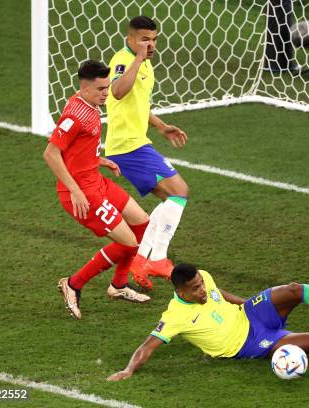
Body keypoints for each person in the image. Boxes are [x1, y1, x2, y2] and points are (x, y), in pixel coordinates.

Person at [107, 263, 309, 381]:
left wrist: (252, 304)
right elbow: (147, 347)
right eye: (195, 289)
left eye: (202, 283)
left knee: (294, 289)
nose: (202, 290)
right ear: (179, 292)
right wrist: (128, 369)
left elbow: (220, 293)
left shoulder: (205, 279)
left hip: (251, 315)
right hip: (249, 344)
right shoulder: (174, 316)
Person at [43, 60, 152, 320]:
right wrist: (75, 191)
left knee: (142, 222)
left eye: (107, 87)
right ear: (85, 87)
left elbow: (77, 146)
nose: (106, 93)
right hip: (83, 193)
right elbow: (51, 153)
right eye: (101, 88)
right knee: (128, 243)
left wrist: (97, 159)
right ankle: (73, 284)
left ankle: (118, 285)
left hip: (95, 179)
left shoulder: (90, 104)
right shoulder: (74, 115)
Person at [105, 16, 188, 289]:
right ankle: (158, 258)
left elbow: (137, 102)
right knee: (179, 191)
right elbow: (117, 92)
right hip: (129, 147)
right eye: (144, 40)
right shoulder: (123, 60)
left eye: (153, 40)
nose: (150, 45)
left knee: (170, 201)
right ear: (130, 39)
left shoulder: (145, 64)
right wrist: (137, 60)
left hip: (135, 143)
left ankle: (142, 259)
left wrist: (162, 126)